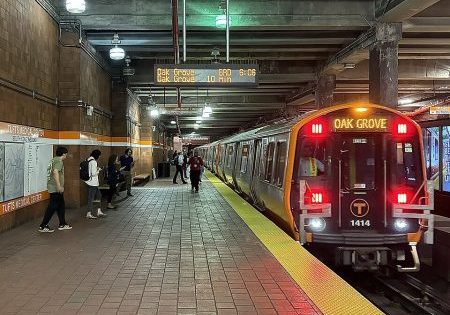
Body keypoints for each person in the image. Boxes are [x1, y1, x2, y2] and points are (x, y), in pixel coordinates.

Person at [39, 147, 71, 232]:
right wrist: (58, 185)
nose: (66, 156)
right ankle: (43, 225)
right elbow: (55, 171)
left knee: (61, 205)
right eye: (66, 154)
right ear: (63, 154)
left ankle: (62, 224)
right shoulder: (59, 161)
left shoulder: (53, 160)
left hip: (52, 186)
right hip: (55, 188)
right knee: (52, 206)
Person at [85, 149, 106, 219]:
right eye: (99, 155)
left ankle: (99, 211)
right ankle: (89, 213)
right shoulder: (93, 162)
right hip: (93, 183)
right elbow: (93, 173)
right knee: (91, 198)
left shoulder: (88, 160)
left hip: (90, 182)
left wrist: (96, 168)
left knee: (99, 195)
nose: (99, 157)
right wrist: (98, 170)